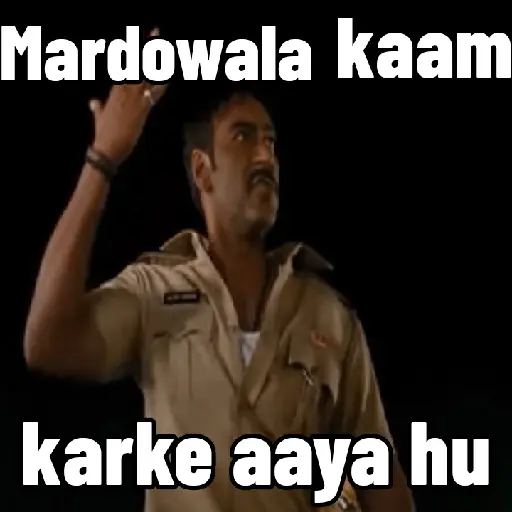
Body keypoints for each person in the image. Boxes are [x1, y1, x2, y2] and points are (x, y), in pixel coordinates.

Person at [23, 34, 415, 512]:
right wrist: (102, 159)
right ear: (202, 170)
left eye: (270, 142)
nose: (265, 157)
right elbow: (47, 343)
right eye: (243, 137)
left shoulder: (328, 314)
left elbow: (381, 480)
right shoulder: (153, 293)